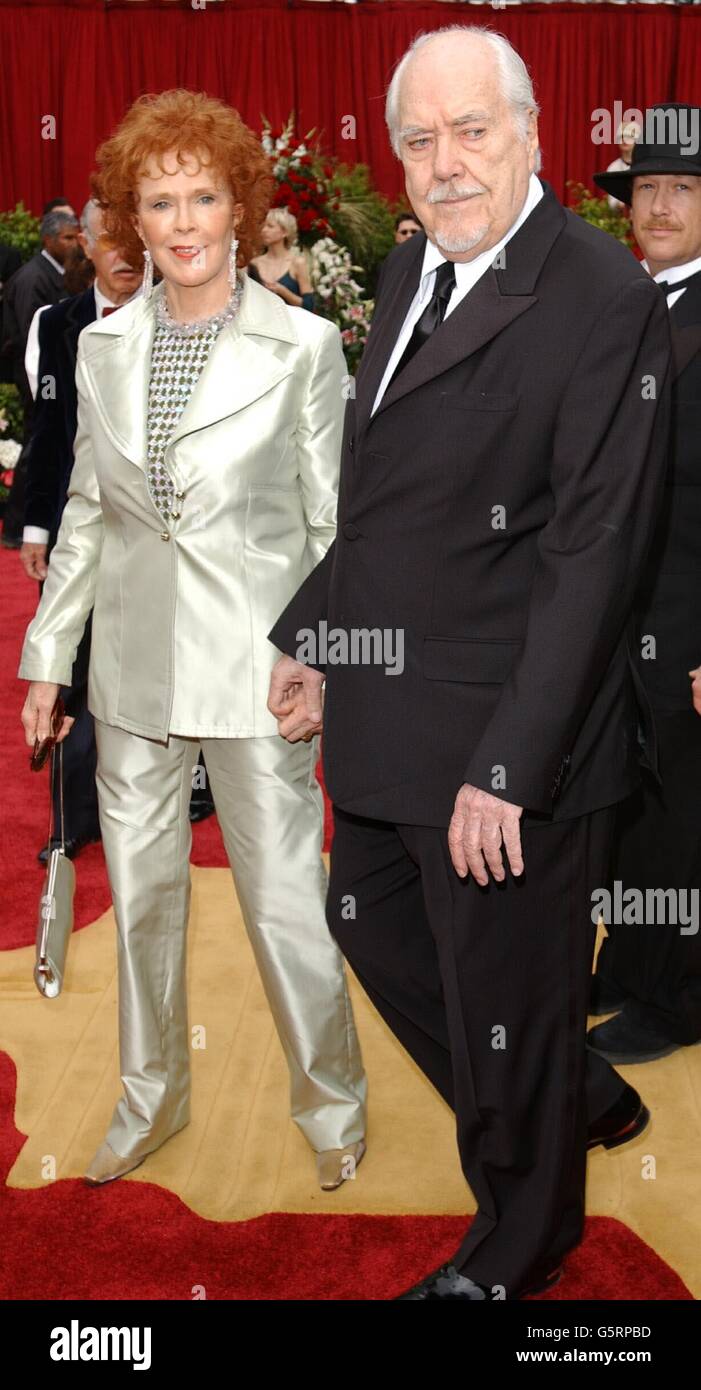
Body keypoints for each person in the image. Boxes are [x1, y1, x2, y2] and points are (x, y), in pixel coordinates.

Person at [267, 26, 671, 1299]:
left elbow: (594, 558)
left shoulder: (601, 299)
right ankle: (569, 1094)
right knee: (362, 915)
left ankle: (517, 1240)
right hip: (392, 709)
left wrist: (508, 766)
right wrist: (317, 634)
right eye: (418, 141)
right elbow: (381, 500)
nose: (444, 166)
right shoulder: (406, 273)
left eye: (471, 133)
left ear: (532, 133)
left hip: (508, 740)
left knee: (501, 993)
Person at [18, 88, 367, 1193]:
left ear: (239, 206)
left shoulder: (303, 347)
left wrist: (319, 658)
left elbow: (335, 525)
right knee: (140, 902)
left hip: (258, 669)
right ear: (129, 215)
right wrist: (45, 658)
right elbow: (84, 512)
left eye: (202, 196)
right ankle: (147, 1096)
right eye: (156, 200)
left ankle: (331, 1102)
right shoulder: (106, 345)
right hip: (127, 670)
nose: (180, 221)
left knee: (282, 904)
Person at [589, 107, 701, 1064]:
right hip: (620, 614)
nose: (658, 206)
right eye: (646, 189)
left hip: (688, 613)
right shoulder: (626, 305)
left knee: (686, 806)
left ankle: (682, 994)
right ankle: (629, 961)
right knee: (629, 797)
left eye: (682, 189)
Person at [20, 199, 143, 864]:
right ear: (85, 248)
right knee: (66, 669)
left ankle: (175, 796)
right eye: (110, 241)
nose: (125, 255)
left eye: (134, 240)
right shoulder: (54, 323)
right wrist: (38, 526)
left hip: (159, 534)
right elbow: (46, 433)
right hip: (79, 526)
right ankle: (73, 820)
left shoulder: (174, 315)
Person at [2, 209, 79, 545]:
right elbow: (26, 336)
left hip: (47, 374)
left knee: (40, 445)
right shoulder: (34, 277)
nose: (74, 243)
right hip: (35, 376)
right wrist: (40, 386)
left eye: (76, 236)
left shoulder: (59, 272)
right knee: (37, 446)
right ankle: (18, 524)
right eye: (67, 237)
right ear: (48, 240)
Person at [250, 207, 316, 310]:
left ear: (285, 232)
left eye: (270, 226)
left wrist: (283, 291)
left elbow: (309, 305)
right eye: (263, 226)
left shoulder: (297, 263)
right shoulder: (254, 264)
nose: (264, 230)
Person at [603, 119, 641, 211]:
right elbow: (612, 202)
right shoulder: (613, 168)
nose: (624, 140)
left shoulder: (644, 166)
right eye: (621, 137)